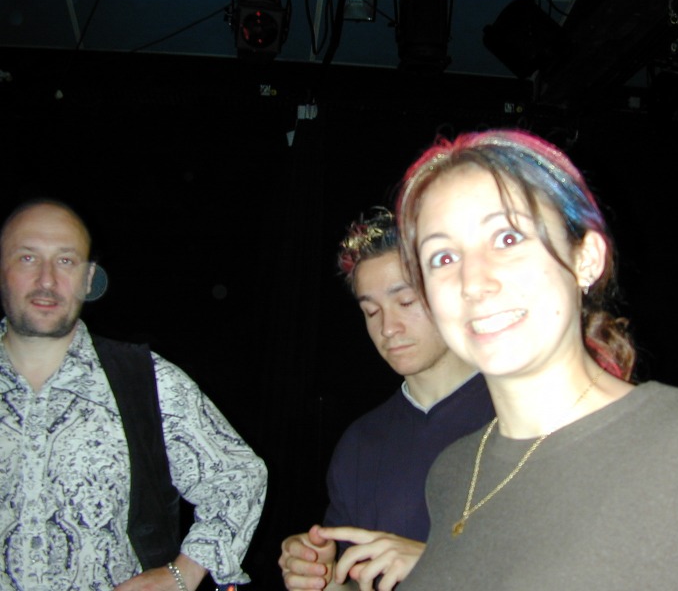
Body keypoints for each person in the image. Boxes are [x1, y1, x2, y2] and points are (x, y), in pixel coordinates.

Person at [376, 128, 678, 590]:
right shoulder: (454, 472)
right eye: (442, 258)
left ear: (586, 260)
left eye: (507, 237)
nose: (473, 282)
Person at [0, 198, 268, 591]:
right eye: (27, 258)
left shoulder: (145, 381)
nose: (47, 280)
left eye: (66, 261)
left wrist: (182, 574)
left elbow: (239, 476)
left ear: (89, 278)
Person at [278, 207, 494, 590]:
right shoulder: (361, 443)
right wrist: (323, 578)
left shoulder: (523, 415)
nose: (388, 328)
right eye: (371, 311)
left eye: (406, 302)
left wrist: (434, 565)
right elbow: (357, 581)